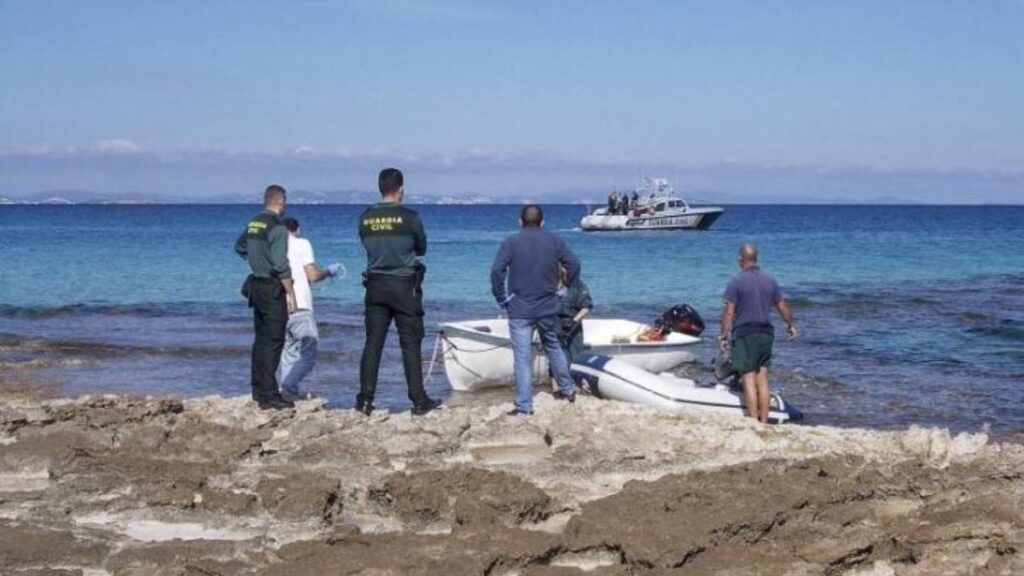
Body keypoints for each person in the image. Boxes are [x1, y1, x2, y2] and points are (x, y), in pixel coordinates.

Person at [356, 168, 442, 416]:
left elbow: (365, 243)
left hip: (375, 284)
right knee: (410, 344)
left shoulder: (366, 217)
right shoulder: (410, 217)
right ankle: (418, 400)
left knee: (373, 344)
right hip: (404, 285)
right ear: (401, 190)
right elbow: (421, 247)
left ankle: (364, 400)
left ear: (380, 189)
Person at [491, 204, 581, 416]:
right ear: (542, 222)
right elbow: (574, 264)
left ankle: (525, 406)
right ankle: (568, 389)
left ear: (520, 222)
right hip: (548, 306)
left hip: (519, 308)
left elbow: (497, 271)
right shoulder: (554, 240)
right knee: (553, 346)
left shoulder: (511, 242)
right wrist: (566, 289)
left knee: (522, 358)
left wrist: (501, 297)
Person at [718, 243, 797, 422]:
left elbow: (729, 311)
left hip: (746, 334)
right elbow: (782, 305)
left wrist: (724, 335)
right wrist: (791, 325)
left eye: (739, 257)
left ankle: (753, 422)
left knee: (748, 380)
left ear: (741, 259)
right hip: (766, 334)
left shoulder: (736, 281)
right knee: (763, 380)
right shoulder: (770, 280)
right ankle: (764, 420)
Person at [234, 185, 296, 410]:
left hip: (256, 285)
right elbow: (281, 264)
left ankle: (258, 389)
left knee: (260, 339)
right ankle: (270, 394)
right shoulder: (277, 227)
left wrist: (257, 259)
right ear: (280, 202)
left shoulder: (254, 222)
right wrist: (291, 293)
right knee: (274, 340)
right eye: (285, 202)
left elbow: (240, 247)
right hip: (271, 286)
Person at [276, 217, 339, 400]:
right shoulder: (301, 243)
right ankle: (288, 386)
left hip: (280, 306)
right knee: (308, 355)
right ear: (296, 229)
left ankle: (287, 392)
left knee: (288, 351)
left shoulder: (275, 247)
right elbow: (312, 275)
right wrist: (328, 272)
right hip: (301, 305)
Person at [550, 264, 592, 391]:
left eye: (565, 267)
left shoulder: (579, 286)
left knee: (575, 357)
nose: (563, 270)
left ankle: (577, 386)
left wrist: (574, 320)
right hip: (555, 324)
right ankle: (556, 387)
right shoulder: (551, 283)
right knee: (555, 357)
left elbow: (587, 307)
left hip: (573, 326)